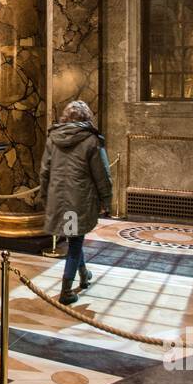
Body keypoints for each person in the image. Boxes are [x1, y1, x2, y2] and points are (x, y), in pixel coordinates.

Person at [39, 99, 112, 305]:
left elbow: (45, 171)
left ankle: (84, 274)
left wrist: (44, 196)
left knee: (74, 238)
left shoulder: (53, 138)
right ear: (86, 116)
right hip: (77, 201)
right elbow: (102, 174)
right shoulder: (91, 141)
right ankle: (66, 290)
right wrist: (107, 199)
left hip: (58, 199)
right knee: (75, 241)